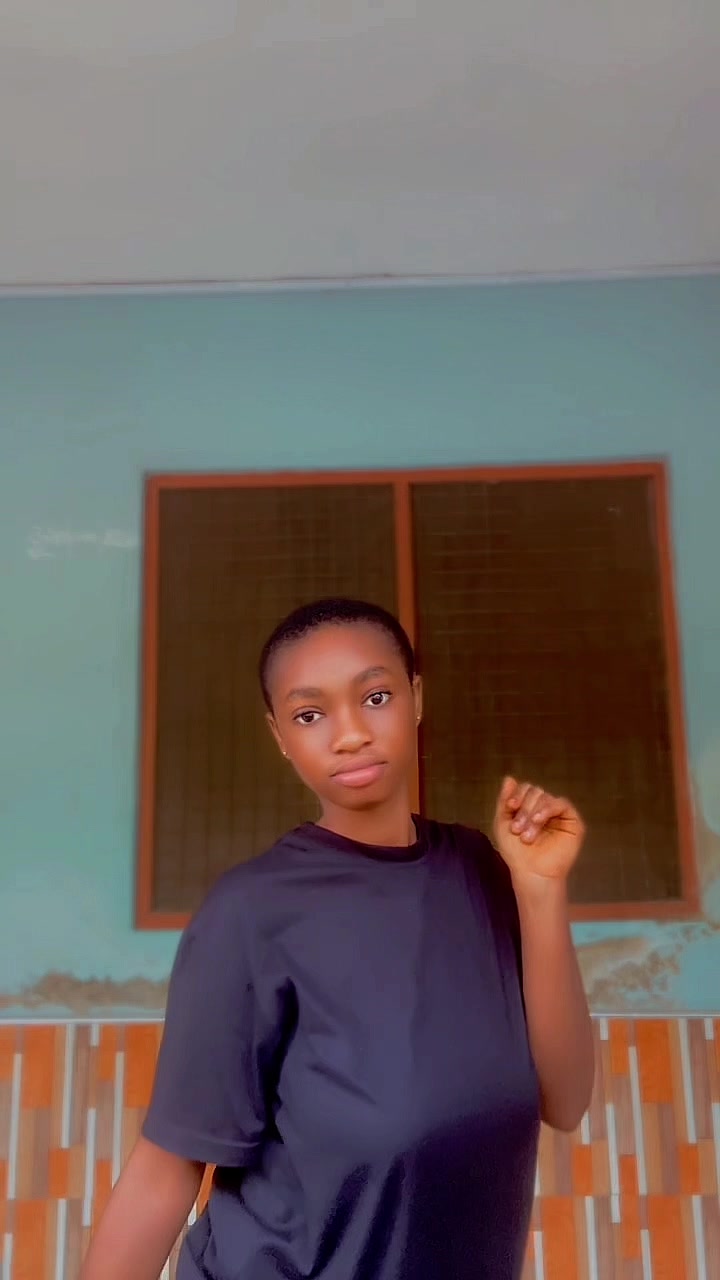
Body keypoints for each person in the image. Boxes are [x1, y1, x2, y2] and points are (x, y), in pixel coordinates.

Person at [81, 597, 594, 1280]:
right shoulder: (250, 913)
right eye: (309, 715)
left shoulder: (479, 871)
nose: (349, 734)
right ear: (279, 735)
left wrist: (540, 890)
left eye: (375, 697)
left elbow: (566, 1099)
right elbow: (164, 1172)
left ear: (416, 698)